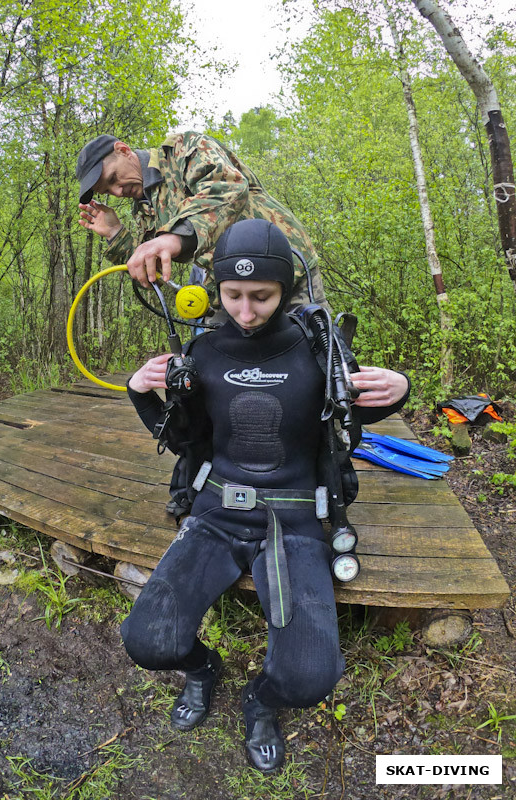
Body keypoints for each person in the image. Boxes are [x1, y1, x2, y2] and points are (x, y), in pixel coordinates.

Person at [120, 219, 409, 773]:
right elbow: (184, 440)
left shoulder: (317, 349)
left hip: (297, 520)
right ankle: (204, 669)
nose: (246, 311)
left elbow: (350, 420)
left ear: (285, 290)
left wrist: (399, 392)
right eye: (232, 295)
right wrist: (142, 394)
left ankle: (262, 701)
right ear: (214, 288)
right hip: (215, 513)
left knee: (310, 677)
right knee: (147, 641)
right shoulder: (202, 351)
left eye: (262, 296)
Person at [76, 131, 327, 307]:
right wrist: (115, 234)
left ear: (124, 150)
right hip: (232, 289)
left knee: (317, 359)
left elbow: (228, 187)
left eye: (112, 179)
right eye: (107, 191)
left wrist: (173, 238)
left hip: (285, 266)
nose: (117, 192)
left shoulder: (183, 149)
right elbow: (153, 273)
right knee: (217, 367)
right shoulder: (143, 208)